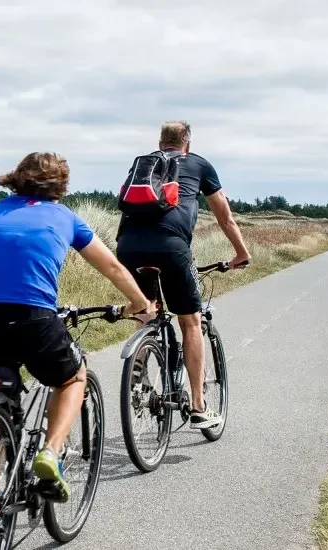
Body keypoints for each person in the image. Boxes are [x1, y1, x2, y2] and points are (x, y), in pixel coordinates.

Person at [0, 151, 151, 505]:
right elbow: (112, 266)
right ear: (61, 187)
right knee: (72, 377)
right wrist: (140, 304)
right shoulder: (66, 217)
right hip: (33, 319)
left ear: (17, 178)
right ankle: (50, 452)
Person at [115, 120, 251, 429]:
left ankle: (142, 366)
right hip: (172, 248)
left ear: (160, 142)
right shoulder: (199, 164)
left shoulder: (143, 164)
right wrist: (241, 254)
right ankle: (200, 406)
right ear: (187, 144)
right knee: (190, 321)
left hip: (128, 247)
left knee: (147, 310)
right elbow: (225, 218)